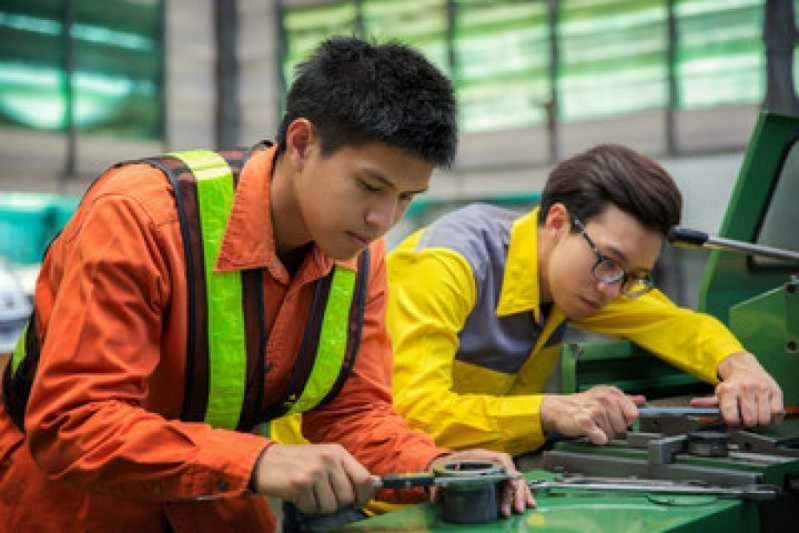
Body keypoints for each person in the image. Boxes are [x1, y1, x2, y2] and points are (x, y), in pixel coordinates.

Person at [0, 37, 532, 532]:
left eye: (407, 197)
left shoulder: (360, 254)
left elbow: (353, 413)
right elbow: (76, 423)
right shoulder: (141, 217)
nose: (382, 218)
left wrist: (436, 467)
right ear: (301, 143)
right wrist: (260, 459)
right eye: (370, 186)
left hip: (215, 492)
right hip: (70, 497)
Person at [385, 143, 784, 457]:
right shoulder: (447, 265)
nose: (612, 290)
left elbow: (677, 323)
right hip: (383, 498)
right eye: (609, 263)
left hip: (486, 477)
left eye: (633, 278)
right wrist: (551, 410)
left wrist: (740, 367)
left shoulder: (584, 275)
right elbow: (413, 413)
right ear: (557, 222)